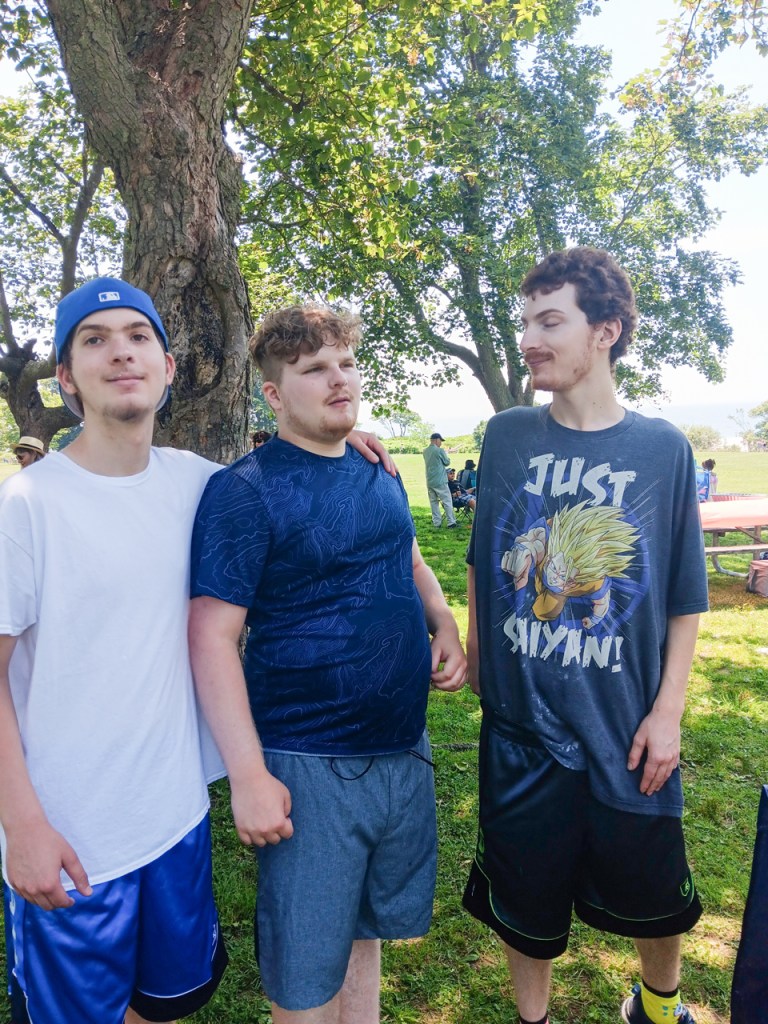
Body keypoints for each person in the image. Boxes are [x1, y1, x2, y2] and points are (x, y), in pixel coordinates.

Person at [188, 303, 467, 1024]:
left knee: (364, 936)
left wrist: (441, 620)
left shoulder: (378, 468)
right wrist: (248, 776)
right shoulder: (245, 491)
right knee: (306, 974)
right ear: (274, 395)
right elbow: (212, 638)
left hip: (403, 749)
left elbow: (404, 555)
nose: (338, 379)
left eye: (345, 363)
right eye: (314, 369)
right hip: (306, 759)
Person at [462, 248, 708, 1024]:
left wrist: (667, 712)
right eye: (525, 321)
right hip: (522, 735)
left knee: (655, 896)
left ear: (605, 330)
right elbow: (482, 557)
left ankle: (659, 1012)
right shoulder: (505, 436)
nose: (528, 338)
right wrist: (476, 654)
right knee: (523, 905)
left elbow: (684, 596)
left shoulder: (661, 447)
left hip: (625, 728)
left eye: (549, 321)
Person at [0, 278, 230, 1024]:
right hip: (70, 839)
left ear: (166, 365)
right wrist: (23, 828)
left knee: (161, 1008)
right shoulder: (29, 506)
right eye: (94, 340)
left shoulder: (200, 485)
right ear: (66, 379)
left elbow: (302, 480)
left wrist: (346, 438)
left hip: (174, 819)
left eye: (137, 335)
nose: (120, 351)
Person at [423, 432, 456, 528]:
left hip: (430, 480)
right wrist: (446, 454)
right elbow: (447, 462)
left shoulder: (425, 451)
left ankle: (437, 523)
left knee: (433, 502)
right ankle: (451, 522)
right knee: (447, 501)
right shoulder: (440, 451)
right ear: (437, 440)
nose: (441, 443)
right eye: (440, 441)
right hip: (440, 480)